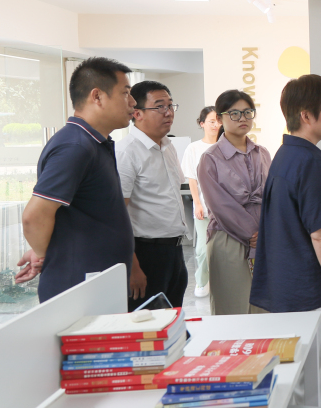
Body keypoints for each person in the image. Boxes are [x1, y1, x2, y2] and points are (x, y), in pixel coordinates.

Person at [250, 74, 321, 408]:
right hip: (311, 292)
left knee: (298, 380)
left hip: (288, 288)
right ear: (306, 115)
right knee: (316, 382)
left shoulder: (285, 156)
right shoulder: (310, 164)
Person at [16, 57, 136, 302]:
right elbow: (34, 216)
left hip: (97, 282)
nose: (133, 102)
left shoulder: (93, 142)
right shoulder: (75, 146)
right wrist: (44, 254)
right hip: (79, 287)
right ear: (97, 96)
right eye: (125, 93)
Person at [197, 90, 271, 315]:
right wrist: (251, 233)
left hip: (264, 238)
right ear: (220, 118)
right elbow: (219, 205)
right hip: (228, 238)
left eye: (248, 112)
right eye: (235, 113)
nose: (243, 118)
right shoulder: (210, 158)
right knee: (232, 307)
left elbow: (273, 196)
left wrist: (265, 231)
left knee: (264, 308)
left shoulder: (263, 153)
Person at [116, 80, 188, 311]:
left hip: (175, 250)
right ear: (137, 113)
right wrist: (132, 266)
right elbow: (118, 215)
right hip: (145, 254)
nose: (168, 112)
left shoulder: (168, 146)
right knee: (147, 324)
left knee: (172, 321)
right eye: (159, 106)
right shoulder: (127, 152)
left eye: (170, 105)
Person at [180, 106, 220, 298]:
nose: (216, 125)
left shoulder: (226, 146)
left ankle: (221, 282)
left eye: (218, 121)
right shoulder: (194, 148)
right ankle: (203, 281)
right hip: (204, 208)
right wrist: (197, 203)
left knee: (224, 251)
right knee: (203, 250)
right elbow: (192, 178)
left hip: (225, 210)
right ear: (202, 123)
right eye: (212, 121)